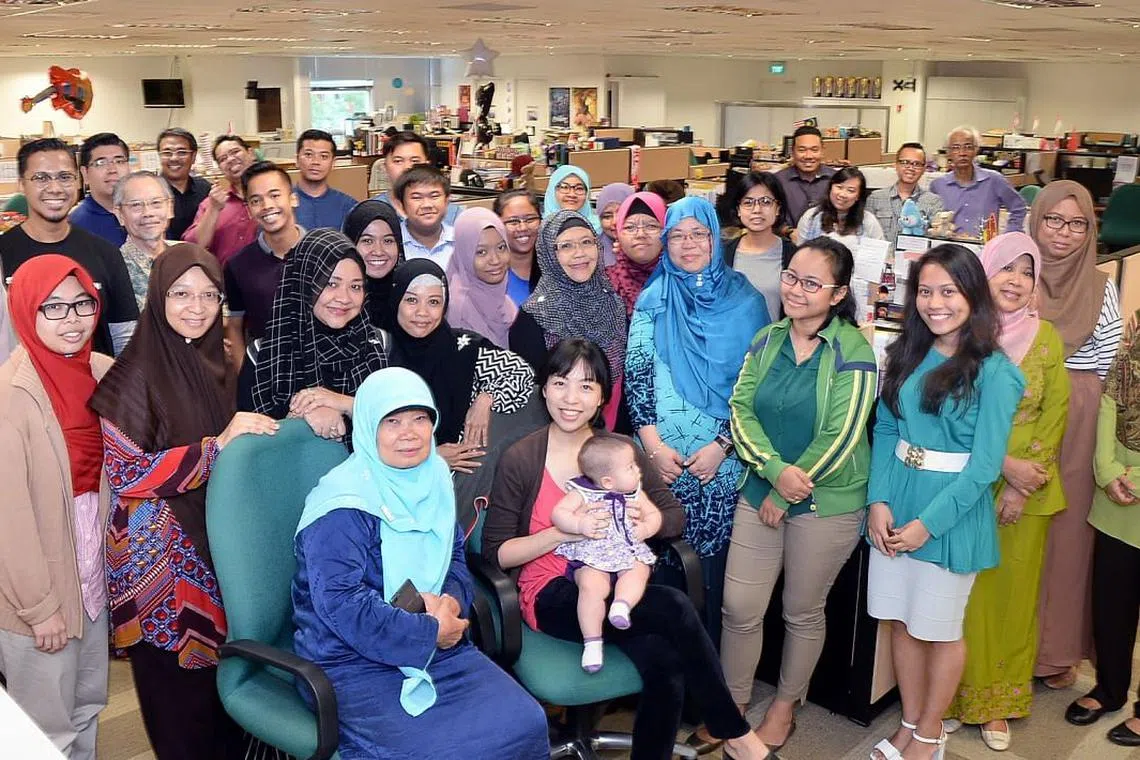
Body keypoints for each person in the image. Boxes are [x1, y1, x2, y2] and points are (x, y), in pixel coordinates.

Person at [483, 338, 780, 760]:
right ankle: (735, 732)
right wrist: (562, 534)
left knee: (665, 662)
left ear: (603, 397)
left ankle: (720, 733)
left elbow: (673, 516)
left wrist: (651, 522)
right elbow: (497, 554)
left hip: (620, 583)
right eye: (560, 383)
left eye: (586, 386)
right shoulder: (521, 458)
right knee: (674, 606)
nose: (571, 398)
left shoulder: (620, 453)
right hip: (550, 592)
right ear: (544, 388)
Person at [291, 367, 549, 760]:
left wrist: (451, 604)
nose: (409, 433)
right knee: (444, 752)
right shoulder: (341, 506)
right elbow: (342, 606)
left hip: (438, 645)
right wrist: (428, 632)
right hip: (350, 661)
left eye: (419, 419)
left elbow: (454, 557)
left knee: (526, 722)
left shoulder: (434, 479)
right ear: (368, 426)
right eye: (392, 422)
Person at [89, 244, 280, 760]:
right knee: (176, 700)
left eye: (209, 295)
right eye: (180, 294)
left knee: (221, 692)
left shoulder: (216, 362)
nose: (196, 307)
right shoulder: (132, 374)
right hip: (159, 562)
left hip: (211, 540)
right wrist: (217, 448)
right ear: (157, 297)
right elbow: (127, 473)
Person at [865, 244, 1025, 760]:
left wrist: (927, 526)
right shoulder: (907, 352)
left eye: (949, 291)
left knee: (939, 629)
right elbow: (886, 427)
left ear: (973, 296)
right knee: (900, 620)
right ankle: (910, 724)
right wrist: (878, 500)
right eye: (926, 292)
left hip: (950, 513)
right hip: (898, 499)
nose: (936, 303)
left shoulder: (996, 372)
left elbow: (984, 467)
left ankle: (930, 735)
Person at [721, 237, 876, 753]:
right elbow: (740, 409)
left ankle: (785, 707)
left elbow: (843, 435)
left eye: (812, 283)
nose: (796, 290)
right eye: (791, 277)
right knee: (740, 607)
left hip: (826, 502)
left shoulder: (854, 351)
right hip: (760, 488)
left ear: (838, 294)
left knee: (801, 610)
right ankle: (732, 705)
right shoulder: (767, 339)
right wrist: (771, 471)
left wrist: (786, 491)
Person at [944, 232, 1069, 751]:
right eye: (1006, 269)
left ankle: (998, 705)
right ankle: (952, 697)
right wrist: (1003, 466)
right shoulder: (961, 334)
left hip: (1029, 490)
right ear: (984, 272)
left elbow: (1056, 413)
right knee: (961, 597)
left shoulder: (1047, 339)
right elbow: (951, 414)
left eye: (1026, 272)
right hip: (965, 482)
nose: (1015, 281)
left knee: (1013, 599)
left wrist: (1021, 483)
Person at [626, 195, 769, 648]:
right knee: (658, 574)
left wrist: (723, 446)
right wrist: (652, 447)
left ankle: (707, 675)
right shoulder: (654, 297)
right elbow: (637, 374)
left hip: (720, 464)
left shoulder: (746, 301)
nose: (688, 245)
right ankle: (664, 674)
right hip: (660, 463)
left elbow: (756, 387)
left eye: (699, 234)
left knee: (711, 580)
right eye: (677, 236)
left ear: (715, 239)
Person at [0, 256, 112, 759]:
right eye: (54, 307)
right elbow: (9, 520)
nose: (72, 319)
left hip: (90, 580)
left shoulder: (102, 372)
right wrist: (40, 609)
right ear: (27, 310)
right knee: (44, 732)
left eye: (82, 304)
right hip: (37, 594)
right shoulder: (10, 396)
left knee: (87, 706)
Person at [1031, 180, 1123, 689]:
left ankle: (1055, 652)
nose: (1063, 233)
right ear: (1036, 219)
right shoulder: (1013, 272)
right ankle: (1000, 648)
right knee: (1011, 529)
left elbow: (1107, 364)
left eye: (1078, 224)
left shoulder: (1101, 286)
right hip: (1017, 408)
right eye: (1053, 219)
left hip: (1079, 416)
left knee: (1067, 536)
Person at [1064, 315, 1140, 747]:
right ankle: (1110, 689)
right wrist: (1108, 471)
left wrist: (1133, 479)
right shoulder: (1129, 356)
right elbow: (1108, 407)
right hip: (1116, 503)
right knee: (1112, 606)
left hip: (1131, 485)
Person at [389, 259, 535, 474]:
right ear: (395, 300)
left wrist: (486, 397)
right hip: (391, 480)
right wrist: (429, 457)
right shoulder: (379, 352)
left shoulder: (463, 349)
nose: (422, 312)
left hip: (457, 481)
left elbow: (521, 373)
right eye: (412, 300)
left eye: (434, 302)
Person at [0, 138, 138, 356]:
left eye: (65, 177)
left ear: (78, 181)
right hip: (20, 376)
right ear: (21, 184)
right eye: (41, 178)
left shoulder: (105, 253)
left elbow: (124, 337)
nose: (55, 188)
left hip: (95, 376)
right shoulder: (3, 253)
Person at [250, 229, 391, 435]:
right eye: (331, 284)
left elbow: (402, 417)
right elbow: (249, 441)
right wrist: (302, 418)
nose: (344, 298)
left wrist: (344, 404)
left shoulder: (379, 345)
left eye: (355, 287)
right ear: (304, 283)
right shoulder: (263, 353)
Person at [550, 434, 659, 672]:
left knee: (639, 570)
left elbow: (654, 515)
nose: (638, 471)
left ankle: (621, 605)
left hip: (627, 549)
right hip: (593, 553)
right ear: (608, 482)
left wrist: (645, 528)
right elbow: (559, 514)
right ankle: (592, 643)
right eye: (630, 467)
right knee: (591, 586)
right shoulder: (582, 492)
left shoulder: (635, 494)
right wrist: (580, 524)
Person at [510, 209, 627, 430]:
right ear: (548, 253)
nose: (579, 253)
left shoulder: (614, 304)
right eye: (566, 246)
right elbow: (533, 397)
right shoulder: (534, 317)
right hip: (556, 435)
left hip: (614, 434)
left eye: (587, 242)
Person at [223, 161, 305, 374]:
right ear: (249, 210)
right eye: (256, 200)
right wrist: (246, 377)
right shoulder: (238, 265)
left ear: (293, 198)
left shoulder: (325, 252)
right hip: (269, 374)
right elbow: (234, 325)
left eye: (275, 195)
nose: (267, 205)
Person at [722, 172, 797, 322]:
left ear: (778, 208)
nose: (757, 209)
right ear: (738, 209)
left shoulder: (793, 255)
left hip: (775, 336)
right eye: (748, 202)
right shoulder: (723, 254)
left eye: (766, 202)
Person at [930, 126, 1027, 238]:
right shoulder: (938, 185)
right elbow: (930, 220)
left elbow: (1019, 207)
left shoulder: (994, 180)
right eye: (956, 148)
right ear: (948, 152)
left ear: (976, 150)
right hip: (950, 245)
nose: (962, 153)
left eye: (968, 147)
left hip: (984, 245)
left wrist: (1010, 234)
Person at [445, 207, 517, 349]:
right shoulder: (457, 308)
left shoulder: (504, 301)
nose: (495, 260)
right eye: (481, 252)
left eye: (501, 247)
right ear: (464, 254)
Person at [183, 135, 257, 266]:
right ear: (220, 168)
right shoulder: (212, 203)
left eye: (235, 152)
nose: (230, 159)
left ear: (250, 153)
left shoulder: (273, 196)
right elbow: (193, 247)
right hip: (225, 276)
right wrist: (213, 209)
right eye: (223, 159)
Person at [113, 171, 176, 307]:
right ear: (120, 215)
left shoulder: (187, 256)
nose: (148, 213)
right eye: (136, 205)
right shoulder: (113, 269)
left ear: (170, 208)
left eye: (156, 203)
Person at [373, 130, 462, 224]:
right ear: (384, 167)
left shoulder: (452, 214)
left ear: (427, 165)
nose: (407, 167)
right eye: (398, 161)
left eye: (415, 161)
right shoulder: (372, 211)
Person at [343, 198, 405, 329]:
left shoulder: (410, 297)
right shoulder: (336, 299)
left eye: (388, 241)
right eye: (367, 241)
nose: (378, 251)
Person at [866, 142, 945, 243]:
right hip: (881, 252)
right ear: (896, 165)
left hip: (918, 252)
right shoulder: (875, 198)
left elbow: (936, 239)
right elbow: (866, 234)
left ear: (924, 169)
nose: (911, 168)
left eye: (917, 164)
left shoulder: (934, 201)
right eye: (905, 162)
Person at [795, 167, 885, 255]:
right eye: (839, 187)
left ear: (858, 196)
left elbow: (879, 255)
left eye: (850, 190)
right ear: (830, 188)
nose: (842, 194)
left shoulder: (868, 220)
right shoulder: (811, 217)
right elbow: (800, 254)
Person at [606, 191, 666, 317]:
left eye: (651, 226)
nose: (640, 234)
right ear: (617, 234)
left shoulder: (681, 280)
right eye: (630, 227)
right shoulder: (605, 283)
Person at [71, 132, 129, 247]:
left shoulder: (145, 213)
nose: (112, 170)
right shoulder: (75, 226)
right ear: (85, 173)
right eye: (101, 163)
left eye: (119, 161)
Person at [293, 128, 357, 230]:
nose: (315, 162)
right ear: (296, 160)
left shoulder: (349, 206)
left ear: (333, 163)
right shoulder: (282, 203)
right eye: (308, 155)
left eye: (323, 156)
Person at [394, 165, 455, 270]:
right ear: (401, 205)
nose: (427, 205)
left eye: (434, 196)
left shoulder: (462, 241)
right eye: (417, 197)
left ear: (447, 200)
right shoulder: (391, 243)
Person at [776, 125, 836, 228]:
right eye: (802, 150)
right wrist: (788, 231)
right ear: (792, 151)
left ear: (822, 151)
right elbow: (768, 218)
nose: (808, 156)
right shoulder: (778, 181)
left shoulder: (836, 179)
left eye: (814, 150)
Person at [157, 128, 210, 241]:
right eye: (167, 153)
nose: (174, 158)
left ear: (193, 157)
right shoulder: (150, 192)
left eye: (182, 152)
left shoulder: (205, 189)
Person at [494, 189, 543, 306]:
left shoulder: (554, 269)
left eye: (530, 219)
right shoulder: (490, 273)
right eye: (513, 221)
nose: (523, 228)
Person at [543, 165, 600, 231]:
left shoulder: (601, 228)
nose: (572, 194)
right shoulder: (538, 229)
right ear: (552, 191)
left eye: (579, 188)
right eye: (564, 187)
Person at [597, 182, 635, 267]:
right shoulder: (591, 251)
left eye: (622, 214)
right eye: (607, 216)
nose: (615, 222)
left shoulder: (652, 249)